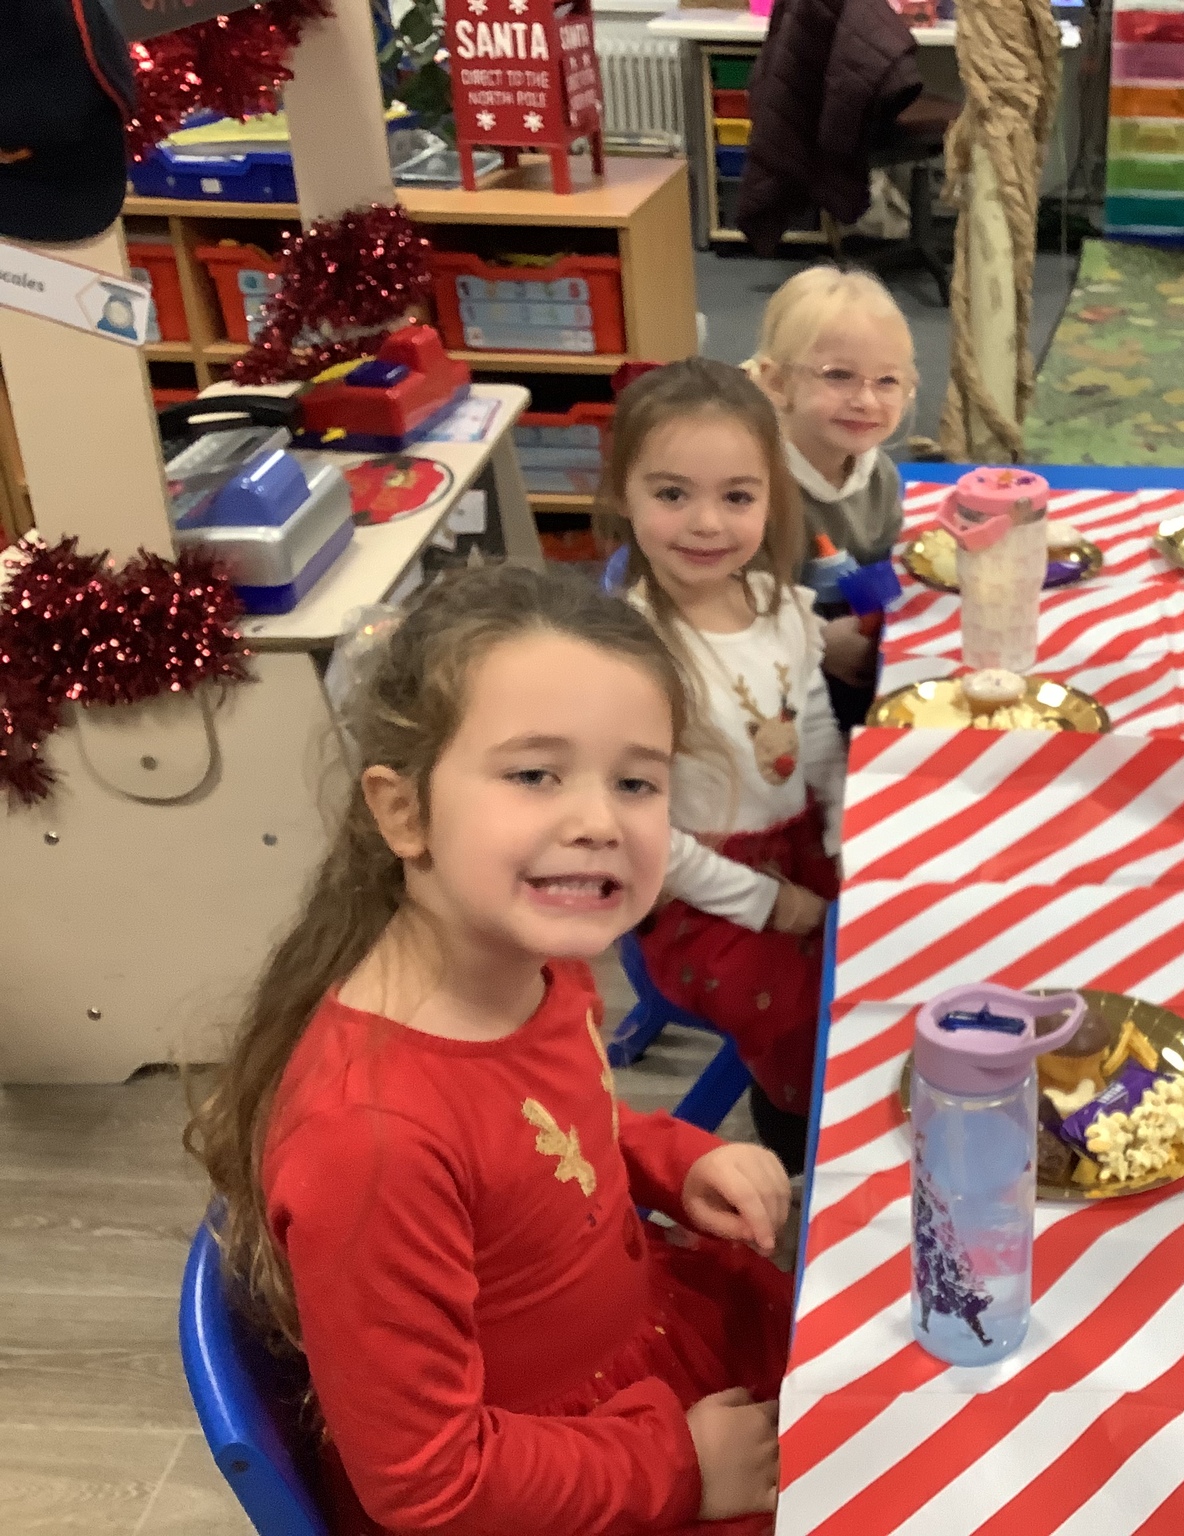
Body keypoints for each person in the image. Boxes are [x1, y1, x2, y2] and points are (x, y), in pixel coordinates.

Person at [184, 564, 792, 1536]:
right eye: (534, 774)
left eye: (635, 781)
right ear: (403, 812)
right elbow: (428, 1484)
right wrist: (679, 1465)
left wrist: (673, 1158)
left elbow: (547, 1131)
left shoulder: (538, 964)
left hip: (641, 1359)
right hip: (549, 1482)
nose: (598, 821)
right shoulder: (369, 1139)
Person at [602, 357, 845, 1174]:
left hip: (800, 843)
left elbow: (812, 727)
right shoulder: (631, 657)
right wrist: (769, 904)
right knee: (809, 1015)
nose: (706, 523)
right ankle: (805, 1156)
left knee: (899, 940)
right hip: (699, 895)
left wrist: (843, 831)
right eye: (673, 494)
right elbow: (642, 836)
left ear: (771, 498)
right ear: (624, 494)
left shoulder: (780, 607)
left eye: (737, 497)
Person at [744, 265, 918, 731]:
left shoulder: (878, 476)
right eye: (839, 375)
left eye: (887, 381)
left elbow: (875, 569)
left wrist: (876, 625)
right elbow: (724, 612)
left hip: (854, 668)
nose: (866, 401)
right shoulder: (749, 490)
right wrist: (818, 644)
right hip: (770, 695)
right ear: (777, 384)